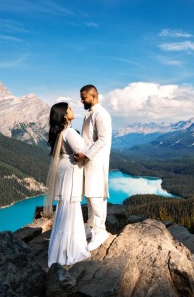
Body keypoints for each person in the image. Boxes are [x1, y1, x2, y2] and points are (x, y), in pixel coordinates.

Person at [44, 102, 90, 267]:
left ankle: (60, 250)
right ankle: (70, 251)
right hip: (70, 173)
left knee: (65, 211)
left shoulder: (59, 133)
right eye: (69, 109)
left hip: (63, 172)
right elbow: (81, 148)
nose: (72, 110)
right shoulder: (69, 132)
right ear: (64, 115)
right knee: (70, 210)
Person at [73, 85, 112, 251]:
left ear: (94, 96)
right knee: (89, 195)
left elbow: (103, 139)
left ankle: (100, 230)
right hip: (89, 161)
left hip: (96, 162)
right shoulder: (89, 114)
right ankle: (90, 226)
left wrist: (86, 155)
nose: (81, 100)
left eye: (84, 97)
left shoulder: (101, 114)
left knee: (96, 195)